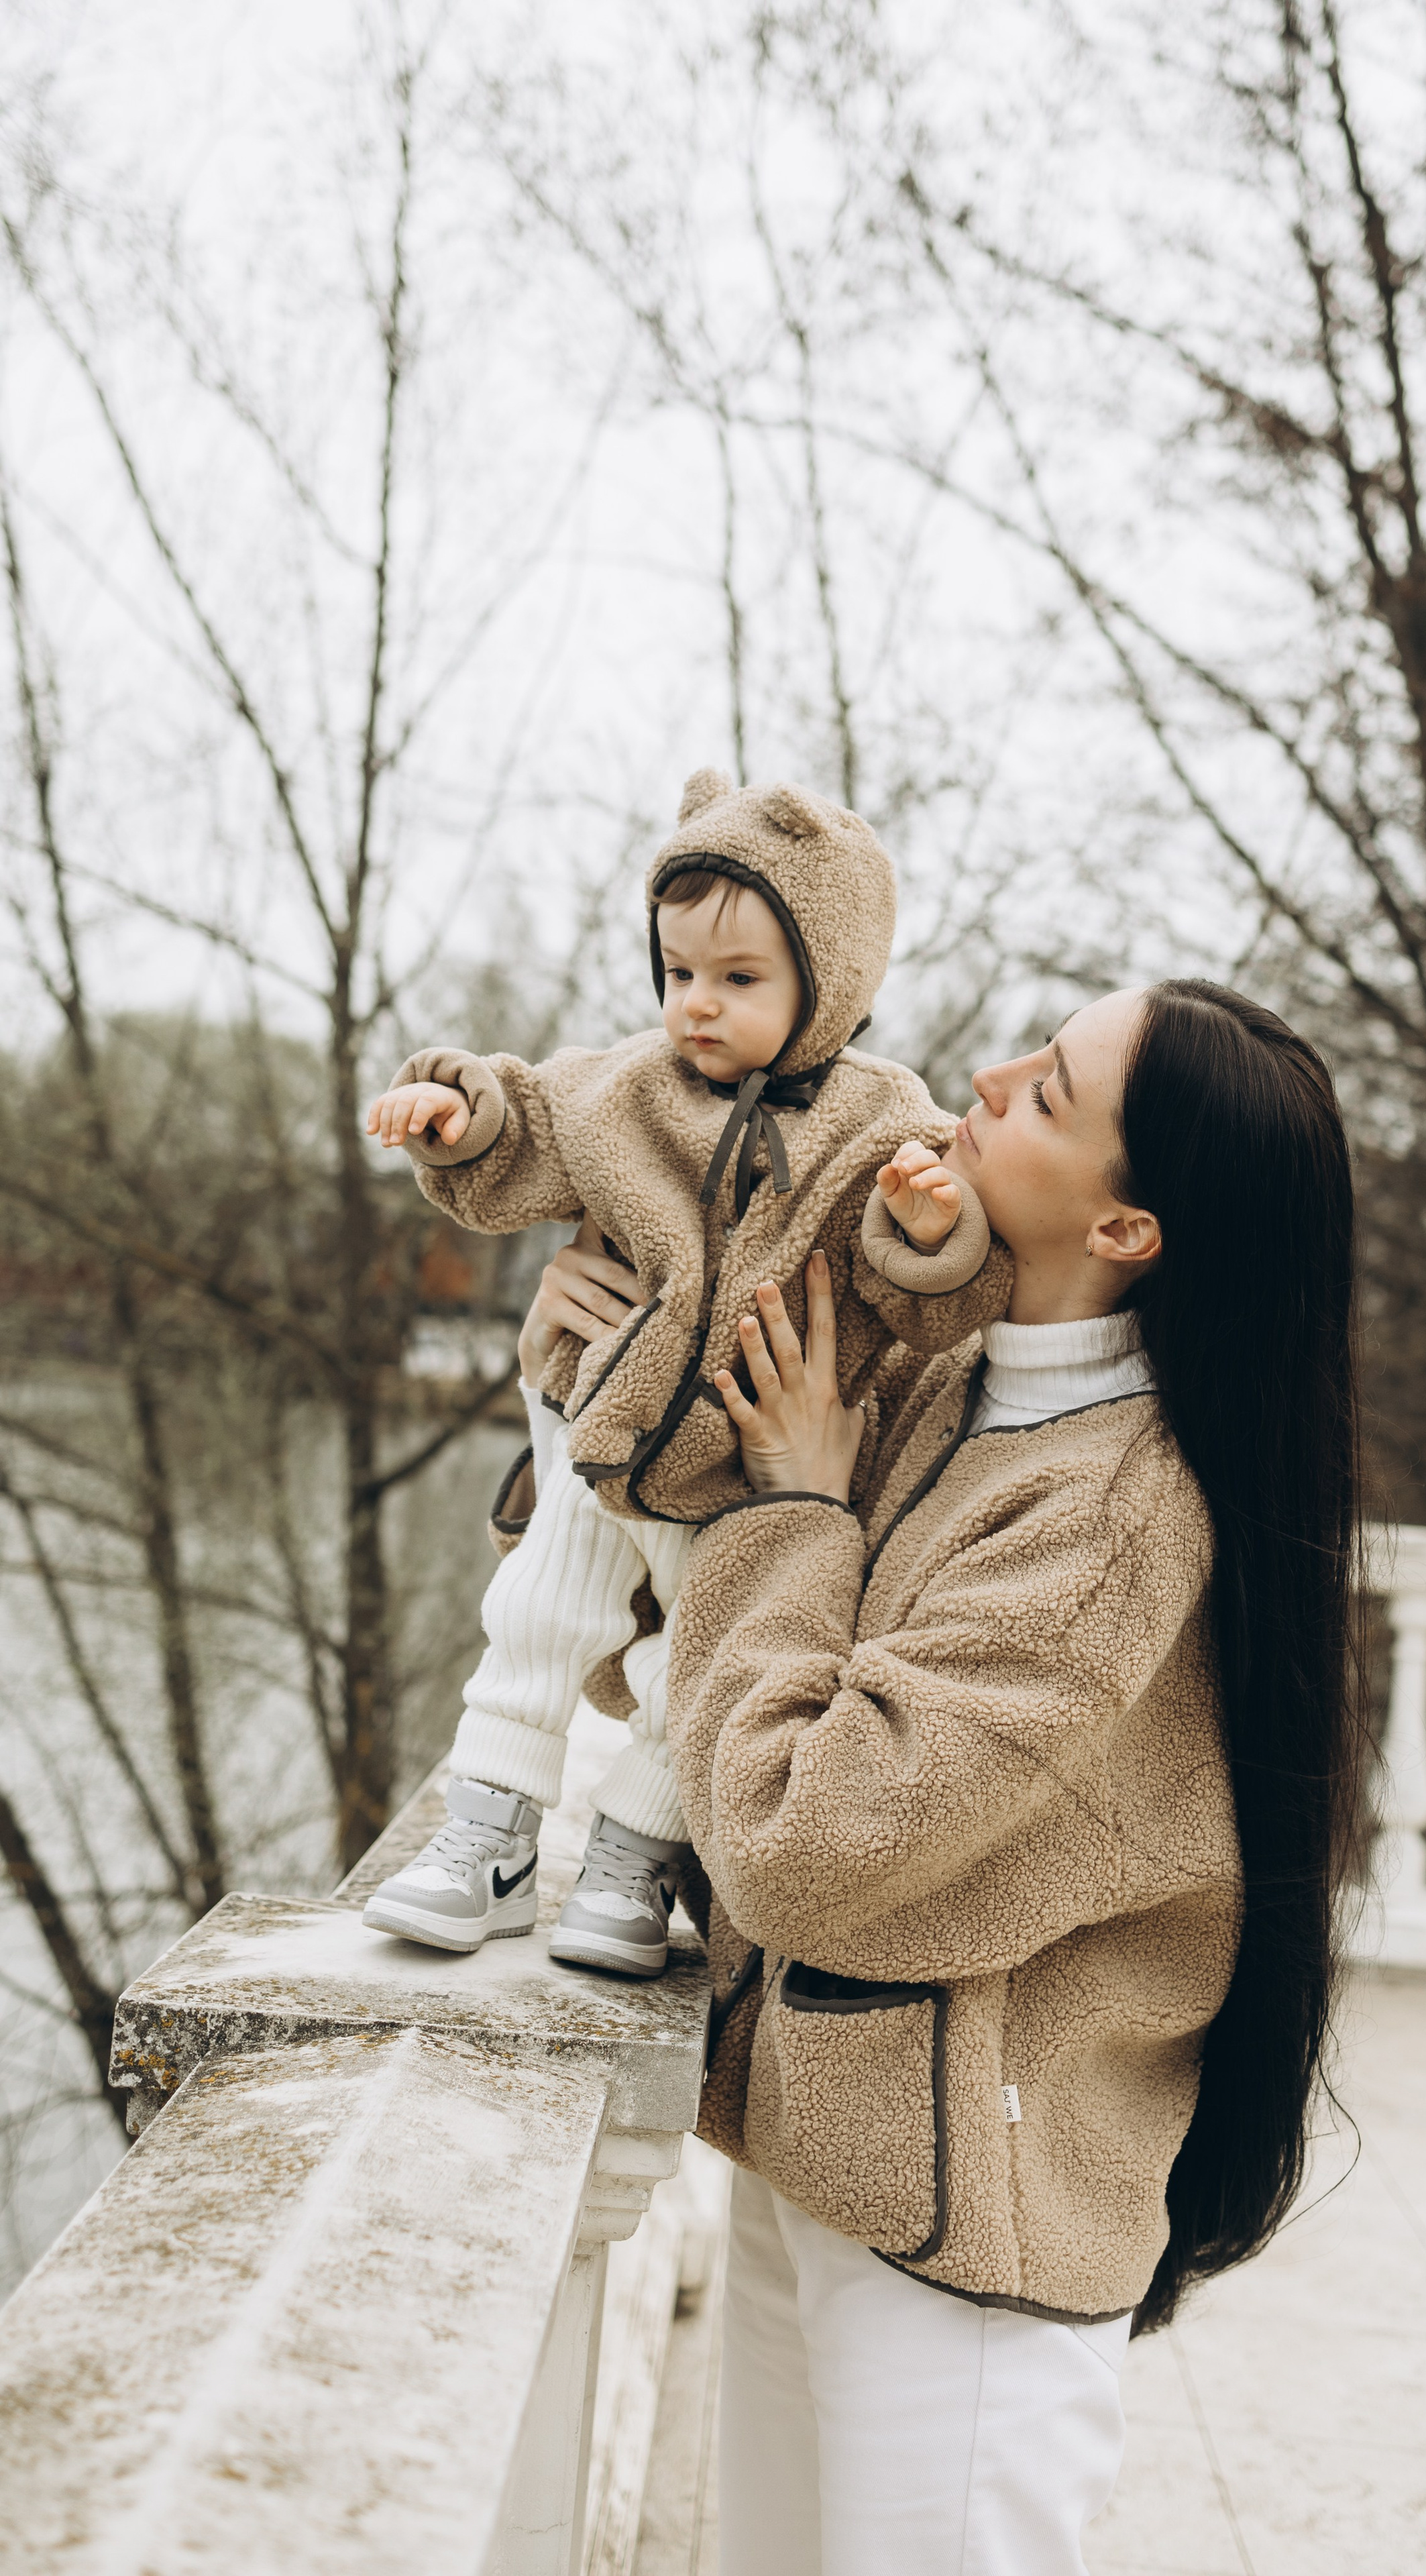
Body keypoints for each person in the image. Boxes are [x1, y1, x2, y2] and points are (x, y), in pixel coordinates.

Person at [539, 977, 1366, 2576]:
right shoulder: (939, 1384)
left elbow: (799, 1839)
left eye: (1046, 1090)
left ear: (1126, 1231)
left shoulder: (1111, 1516)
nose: (983, 1078)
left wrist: (789, 1516)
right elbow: (679, 1676)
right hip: (819, 2151)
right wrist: (621, 1354)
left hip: (967, 2246)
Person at [358, 767, 1009, 1970]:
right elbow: (531, 1118)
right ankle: (488, 1838)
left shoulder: (881, 1121)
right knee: (539, 1615)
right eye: (678, 974)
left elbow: (928, 1286)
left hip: (741, 1466)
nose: (696, 1006)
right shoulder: (629, 1090)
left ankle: (630, 1863)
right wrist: (459, 1112)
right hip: (603, 1424)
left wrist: (926, 1228)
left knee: (688, 1665)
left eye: (740, 979)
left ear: (834, 980)